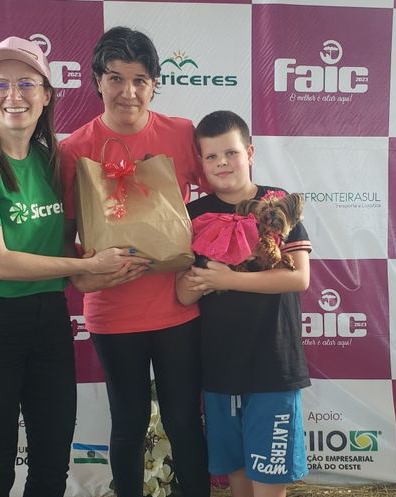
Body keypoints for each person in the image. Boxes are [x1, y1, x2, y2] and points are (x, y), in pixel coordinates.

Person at [0, 37, 147, 496]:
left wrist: (105, 268)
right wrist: (84, 264)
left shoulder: (52, 160)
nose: (14, 95)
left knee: (52, 469)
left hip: (49, 321)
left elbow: (67, 260)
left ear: (47, 94)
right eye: (1, 84)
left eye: (27, 84)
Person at [58, 27, 210, 497]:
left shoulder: (181, 133)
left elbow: (220, 198)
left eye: (140, 80)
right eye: (116, 78)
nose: (128, 92)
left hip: (178, 305)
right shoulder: (74, 148)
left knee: (184, 419)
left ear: (154, 83)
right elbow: (64, 237)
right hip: (112, 310)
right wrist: (82, 278)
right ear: (97, 81)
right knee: (128, 420)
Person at [177, 110, 312, 497]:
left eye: (231, 153)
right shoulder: (192, 215)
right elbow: (183, 293)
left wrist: (228, 279)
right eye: (212, 156)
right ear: (201, 162)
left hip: (273, 365)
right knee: (237, 476)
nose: (222, 163)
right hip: (219, 367)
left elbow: (298, 277)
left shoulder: (277, 205)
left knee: (269, 479)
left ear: (250, 153)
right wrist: (204, 277)